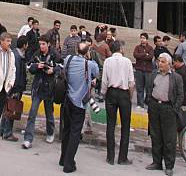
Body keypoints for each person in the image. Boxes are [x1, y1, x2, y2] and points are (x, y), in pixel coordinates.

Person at [60, 41, 99, 174]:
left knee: (66, 129)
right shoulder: (89, 64)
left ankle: (63, 158)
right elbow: (96, 73)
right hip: (80, 102)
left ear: (76, 50)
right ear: (87, 52)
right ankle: (69, 164)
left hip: (68, 99)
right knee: (75, 133)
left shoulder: (68, 59)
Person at [147, 53, 183, 176]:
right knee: (155, 136)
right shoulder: (153, 74)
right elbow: (149, 89)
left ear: (169, 64)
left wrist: (175, 109)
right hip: (155, 107)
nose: (160, 64)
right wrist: (150, 103)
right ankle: (156, 162)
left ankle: (169, 166)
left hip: (168, 109)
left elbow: (180, 95)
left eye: (162, 62)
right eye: (159, 61)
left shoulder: (176, 78)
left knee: (169, 139)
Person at [23, 35, 60, 149]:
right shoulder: (37, 54)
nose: (42, 46)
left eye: (44, 44)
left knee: (49, 114)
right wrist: (37, 66)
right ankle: (28, 139)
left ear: (48, 44)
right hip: (37, 88)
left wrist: (53, 70)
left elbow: (62, 66)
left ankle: (50, 132)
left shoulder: (54, 54)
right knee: (32, 113)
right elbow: (29, 67)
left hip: (49, 89)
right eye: (40, 44)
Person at [102, 40, 135, 166]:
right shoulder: (127, 62)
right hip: (124, 93)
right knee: (125, 126)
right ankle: (122, 157)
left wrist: (104, 93)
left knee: (110, 125)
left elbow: (104, 80)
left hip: (111, 93)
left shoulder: (107, 61)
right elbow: (131, 82)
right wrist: (130, 96)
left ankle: (110, 157)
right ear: (121, 48)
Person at [0, 35, 28, 141]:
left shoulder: (16, 55)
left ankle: (2, 130)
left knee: (7, 108)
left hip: (13, 87)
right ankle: (7, 133)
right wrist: (16, 89)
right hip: (15, 88)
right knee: (12, 109)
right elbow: (15, 74)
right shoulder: (17, 56)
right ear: (24, 45)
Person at [133, 32, 154, 109]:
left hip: (148, 70)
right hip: (139, 69)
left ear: (147, 39)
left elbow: (151, 57)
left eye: (144, 38)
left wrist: (141, 56)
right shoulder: (137, 47)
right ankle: (140, 104)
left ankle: (148, 101)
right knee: (139, 87)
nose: (142, 39)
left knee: (148, 87)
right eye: (141, 38)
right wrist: (145, 54)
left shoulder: (150, 48)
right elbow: (135, 55)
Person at [172, 54, 186, 118]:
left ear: (177, 61)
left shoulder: (181, 72)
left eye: (174, 63)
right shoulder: (183, 69)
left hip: (183, 100)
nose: (173, 65)